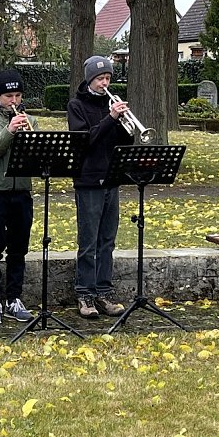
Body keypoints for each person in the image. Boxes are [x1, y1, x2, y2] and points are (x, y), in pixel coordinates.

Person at [67, 56, 133, 318]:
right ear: (89, 80)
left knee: (107, 240)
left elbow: (125, 143)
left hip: (111, 178)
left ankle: (104, 292)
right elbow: (84, 141)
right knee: (89, 241)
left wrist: (124, 123)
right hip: (88, 180)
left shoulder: (111, 104)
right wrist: (110, 118)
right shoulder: (77, 105)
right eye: (100, 79)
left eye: (107, 78)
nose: (104, 83)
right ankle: (84, 293)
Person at [0, 69, 38, 325]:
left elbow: (35, 156)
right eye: (8, 96)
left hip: (21, 189)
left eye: (18, 96)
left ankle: (14, 298)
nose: (14, 101)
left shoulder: (30, 120)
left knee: (18, 248)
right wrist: (9, 130)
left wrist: (29, 138)